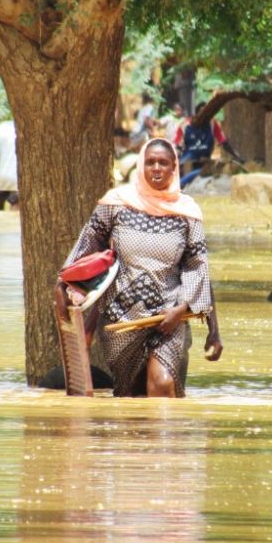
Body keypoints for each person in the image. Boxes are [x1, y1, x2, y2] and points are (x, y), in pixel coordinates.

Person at [55, 138, 223, 397]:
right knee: (130, 397)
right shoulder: (115, 204)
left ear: (174, 168)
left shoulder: (188, 212)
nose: (156, 168)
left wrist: (198, 320)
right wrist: (63, 286)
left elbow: (198, 268)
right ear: (141, 166)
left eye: (163, 163)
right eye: (150, 162)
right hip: (120, 320)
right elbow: (86, 248)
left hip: (169, 317)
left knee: (162, 384)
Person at [172, 101, 236, 184]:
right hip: (188, 159)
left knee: (201, 172)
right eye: (202, 113)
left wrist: (236, 156)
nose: (205, 117)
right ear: (196, 114)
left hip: (205, 159)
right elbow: (177, 146)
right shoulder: (184, 125)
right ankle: (178, 184)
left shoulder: (213, 123)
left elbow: (223, 142)